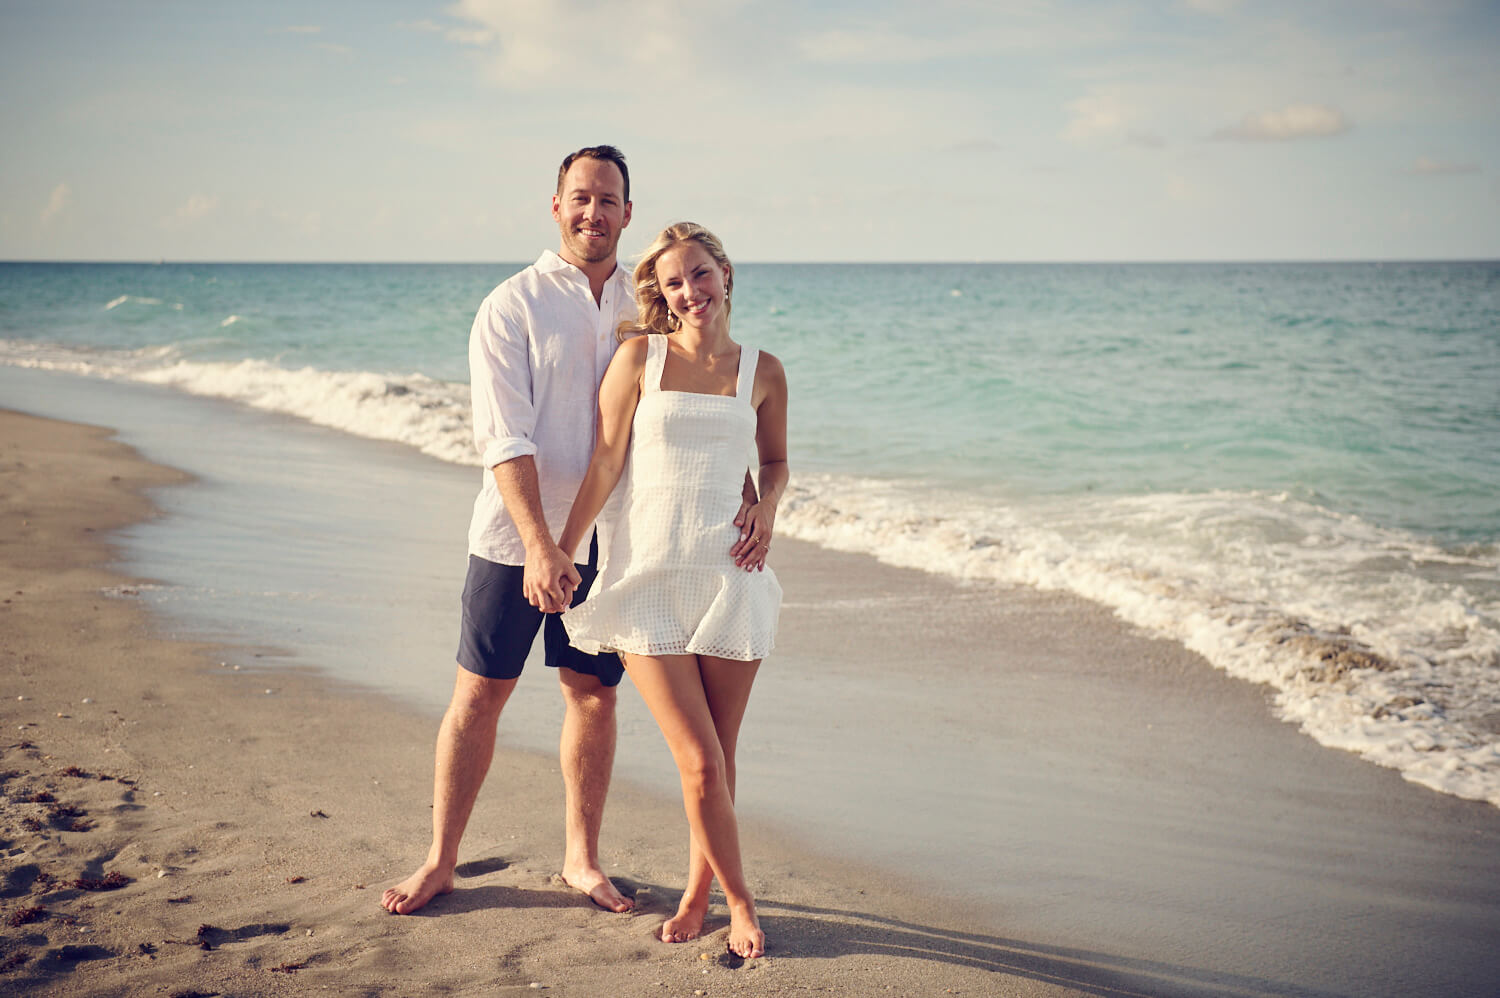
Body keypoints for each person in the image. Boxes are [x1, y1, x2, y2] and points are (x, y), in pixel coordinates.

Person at [381, 145, 646, 916]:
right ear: (556, 205)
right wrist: (540, 545)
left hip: (608, 542)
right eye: (580, 197)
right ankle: (439, 861)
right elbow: (505, 437)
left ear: (629, 213)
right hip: (513, 542)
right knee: (479, 695)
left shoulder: (645, 303)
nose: (593, 211)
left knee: (593, 698)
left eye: (608, 199)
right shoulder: (514, 305)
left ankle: (581, 861)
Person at [555, 222, 789, 959]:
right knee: (697, 760)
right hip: (647, 580)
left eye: (700, 274)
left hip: (729, 574)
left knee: (719, 758)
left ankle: (697, 894)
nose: (690, 291)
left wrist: (767, 507)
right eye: (673, 283)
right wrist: (561, 553)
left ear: (724, 271)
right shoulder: (639, 359)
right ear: (659, 293)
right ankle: (743, 905)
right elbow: (604, 466)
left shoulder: (763, 370)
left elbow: (775, 461)